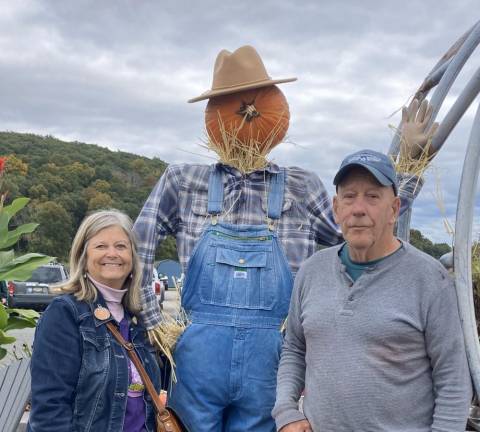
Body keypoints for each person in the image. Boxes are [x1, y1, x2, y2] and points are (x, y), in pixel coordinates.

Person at [133, 46, 436, 432]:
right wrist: (155, 322)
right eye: (234, 105)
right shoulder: (182, 181)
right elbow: (137, 247)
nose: (246, 113)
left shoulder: (301, 186)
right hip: (196, 361)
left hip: (271, 364)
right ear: (213, 118)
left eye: (257, 102)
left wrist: (409, 164)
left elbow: (362, 225)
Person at [272, 149, 472, 432]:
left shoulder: (430, 279)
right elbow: (294, 349)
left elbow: (453, 378)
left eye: (373, 196)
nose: (358, 209)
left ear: (394, 209)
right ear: (336, 208)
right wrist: (287, 413)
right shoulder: (311, 271)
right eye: (349, 196)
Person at [27, 210, 161, 432]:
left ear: (133, 258)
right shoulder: (66, 314)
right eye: (101, 246)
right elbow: (50, 409)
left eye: (121, 246)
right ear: (83, 257)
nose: (112, 254)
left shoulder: (138, 320)